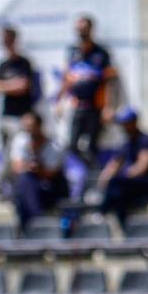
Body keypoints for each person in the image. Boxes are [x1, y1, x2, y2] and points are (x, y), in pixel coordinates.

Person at [62, 14, 115, 176]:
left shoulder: (101, 53)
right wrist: (60, 100)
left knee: (92, 146)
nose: (81, 32)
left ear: (91, 29)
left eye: (83, 29)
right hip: (78, 105)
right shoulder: (73, 52)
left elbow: (110, 81)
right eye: (78, 29)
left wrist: (109, 106)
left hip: (95, 107)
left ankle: (96, 176)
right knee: (72, 145)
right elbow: (67, 77)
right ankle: (95, 170)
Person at [97, 107, 148, 228]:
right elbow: (114, 164)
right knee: (117, 189)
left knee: (118, 185)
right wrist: (105, 177)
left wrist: (123, 175)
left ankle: (103, 213)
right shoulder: (126, 143)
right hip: (130, 185)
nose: (124, 126)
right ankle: (118, 223)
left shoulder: (146, 141)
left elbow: (142, 167)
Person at [6, 109, 64, 226]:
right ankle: (35, 222)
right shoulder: (21, 141)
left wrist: (37, 169)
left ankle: (34, 224)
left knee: (26, 183)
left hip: (50, 187)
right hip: (28, 186)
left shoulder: (54, 145)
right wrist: (29, 167)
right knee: (25, 181)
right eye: (25, 127)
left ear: (39, 126)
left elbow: (50, 173)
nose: (28, 131)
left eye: (31, 127)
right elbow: (16, 167)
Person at [0, 24, 38, 158]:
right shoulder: (2, 64)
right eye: (3, 41)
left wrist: (4, 86)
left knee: (20, 153)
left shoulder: (24, 63)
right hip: (6, 115)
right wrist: (13, 84)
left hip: (21, 116)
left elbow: (23, 87)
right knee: (6, 154)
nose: (6, 44)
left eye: (8, 40)